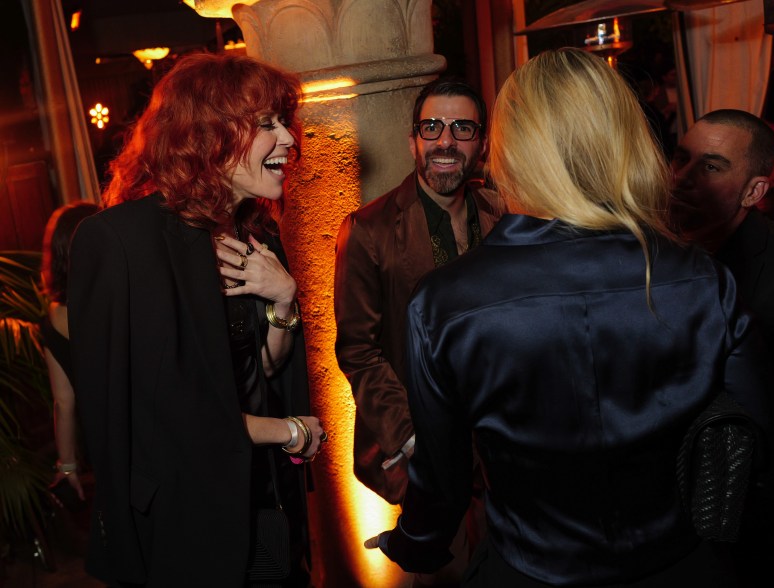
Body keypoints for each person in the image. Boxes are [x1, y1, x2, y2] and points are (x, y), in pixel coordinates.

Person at [365, 48, 774, 587]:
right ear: (620, 138)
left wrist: (413, 545)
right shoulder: (701, 280)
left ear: (509, 146)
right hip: (681, 565)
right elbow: (760, 440)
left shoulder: (447, 302)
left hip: (530, 572)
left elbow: (442, 483)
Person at [68, 52, 325, 587]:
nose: (289, 141)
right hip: (185, 526)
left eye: (284, 122)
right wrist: (288, 431)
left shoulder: (257, 236)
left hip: (262, 507)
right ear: (207, 132)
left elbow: (260, 375)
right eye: (266, 125)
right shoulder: (119, 242)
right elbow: (149, 420)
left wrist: (283, 303)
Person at [334, 76, 505, 585]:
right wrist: (411, 438)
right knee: (444, 574)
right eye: (431, 126)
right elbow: (358, 349)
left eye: (461, 127)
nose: (445, 140)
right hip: (427, 450)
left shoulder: (505, 212)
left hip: (503, 438)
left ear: (481, 143)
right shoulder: (368, 229)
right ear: (413, 141)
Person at [671, 108, 774, 587]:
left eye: (711, 166)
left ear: (754, 191)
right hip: (678, 517)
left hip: (766, 520)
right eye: (681, 160)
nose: (683, 179)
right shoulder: (654, 256)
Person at [40, 201, 100, 507]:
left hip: (102, 442)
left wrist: (67, 467)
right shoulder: (112, 304)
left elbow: (63, 402)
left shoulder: (52, 319)